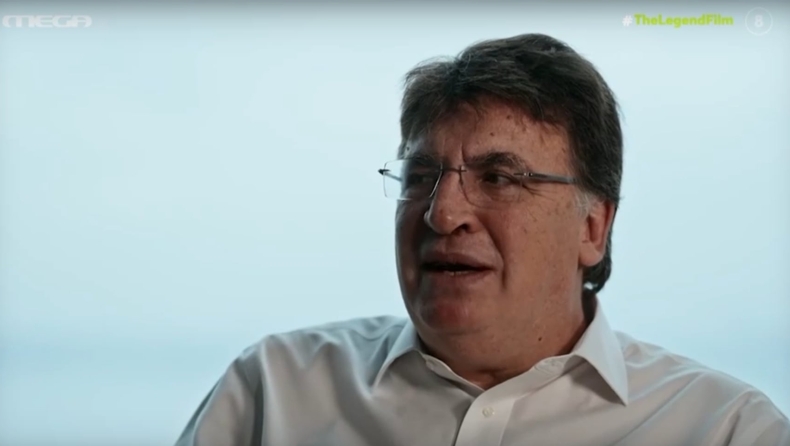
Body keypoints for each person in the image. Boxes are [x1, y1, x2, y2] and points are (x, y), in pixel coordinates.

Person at [174, 33, 790, 446]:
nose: (443, 214)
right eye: (421, 177)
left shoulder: (726, 429)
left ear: (593, 228)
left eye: (499, 178)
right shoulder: (273, 392)